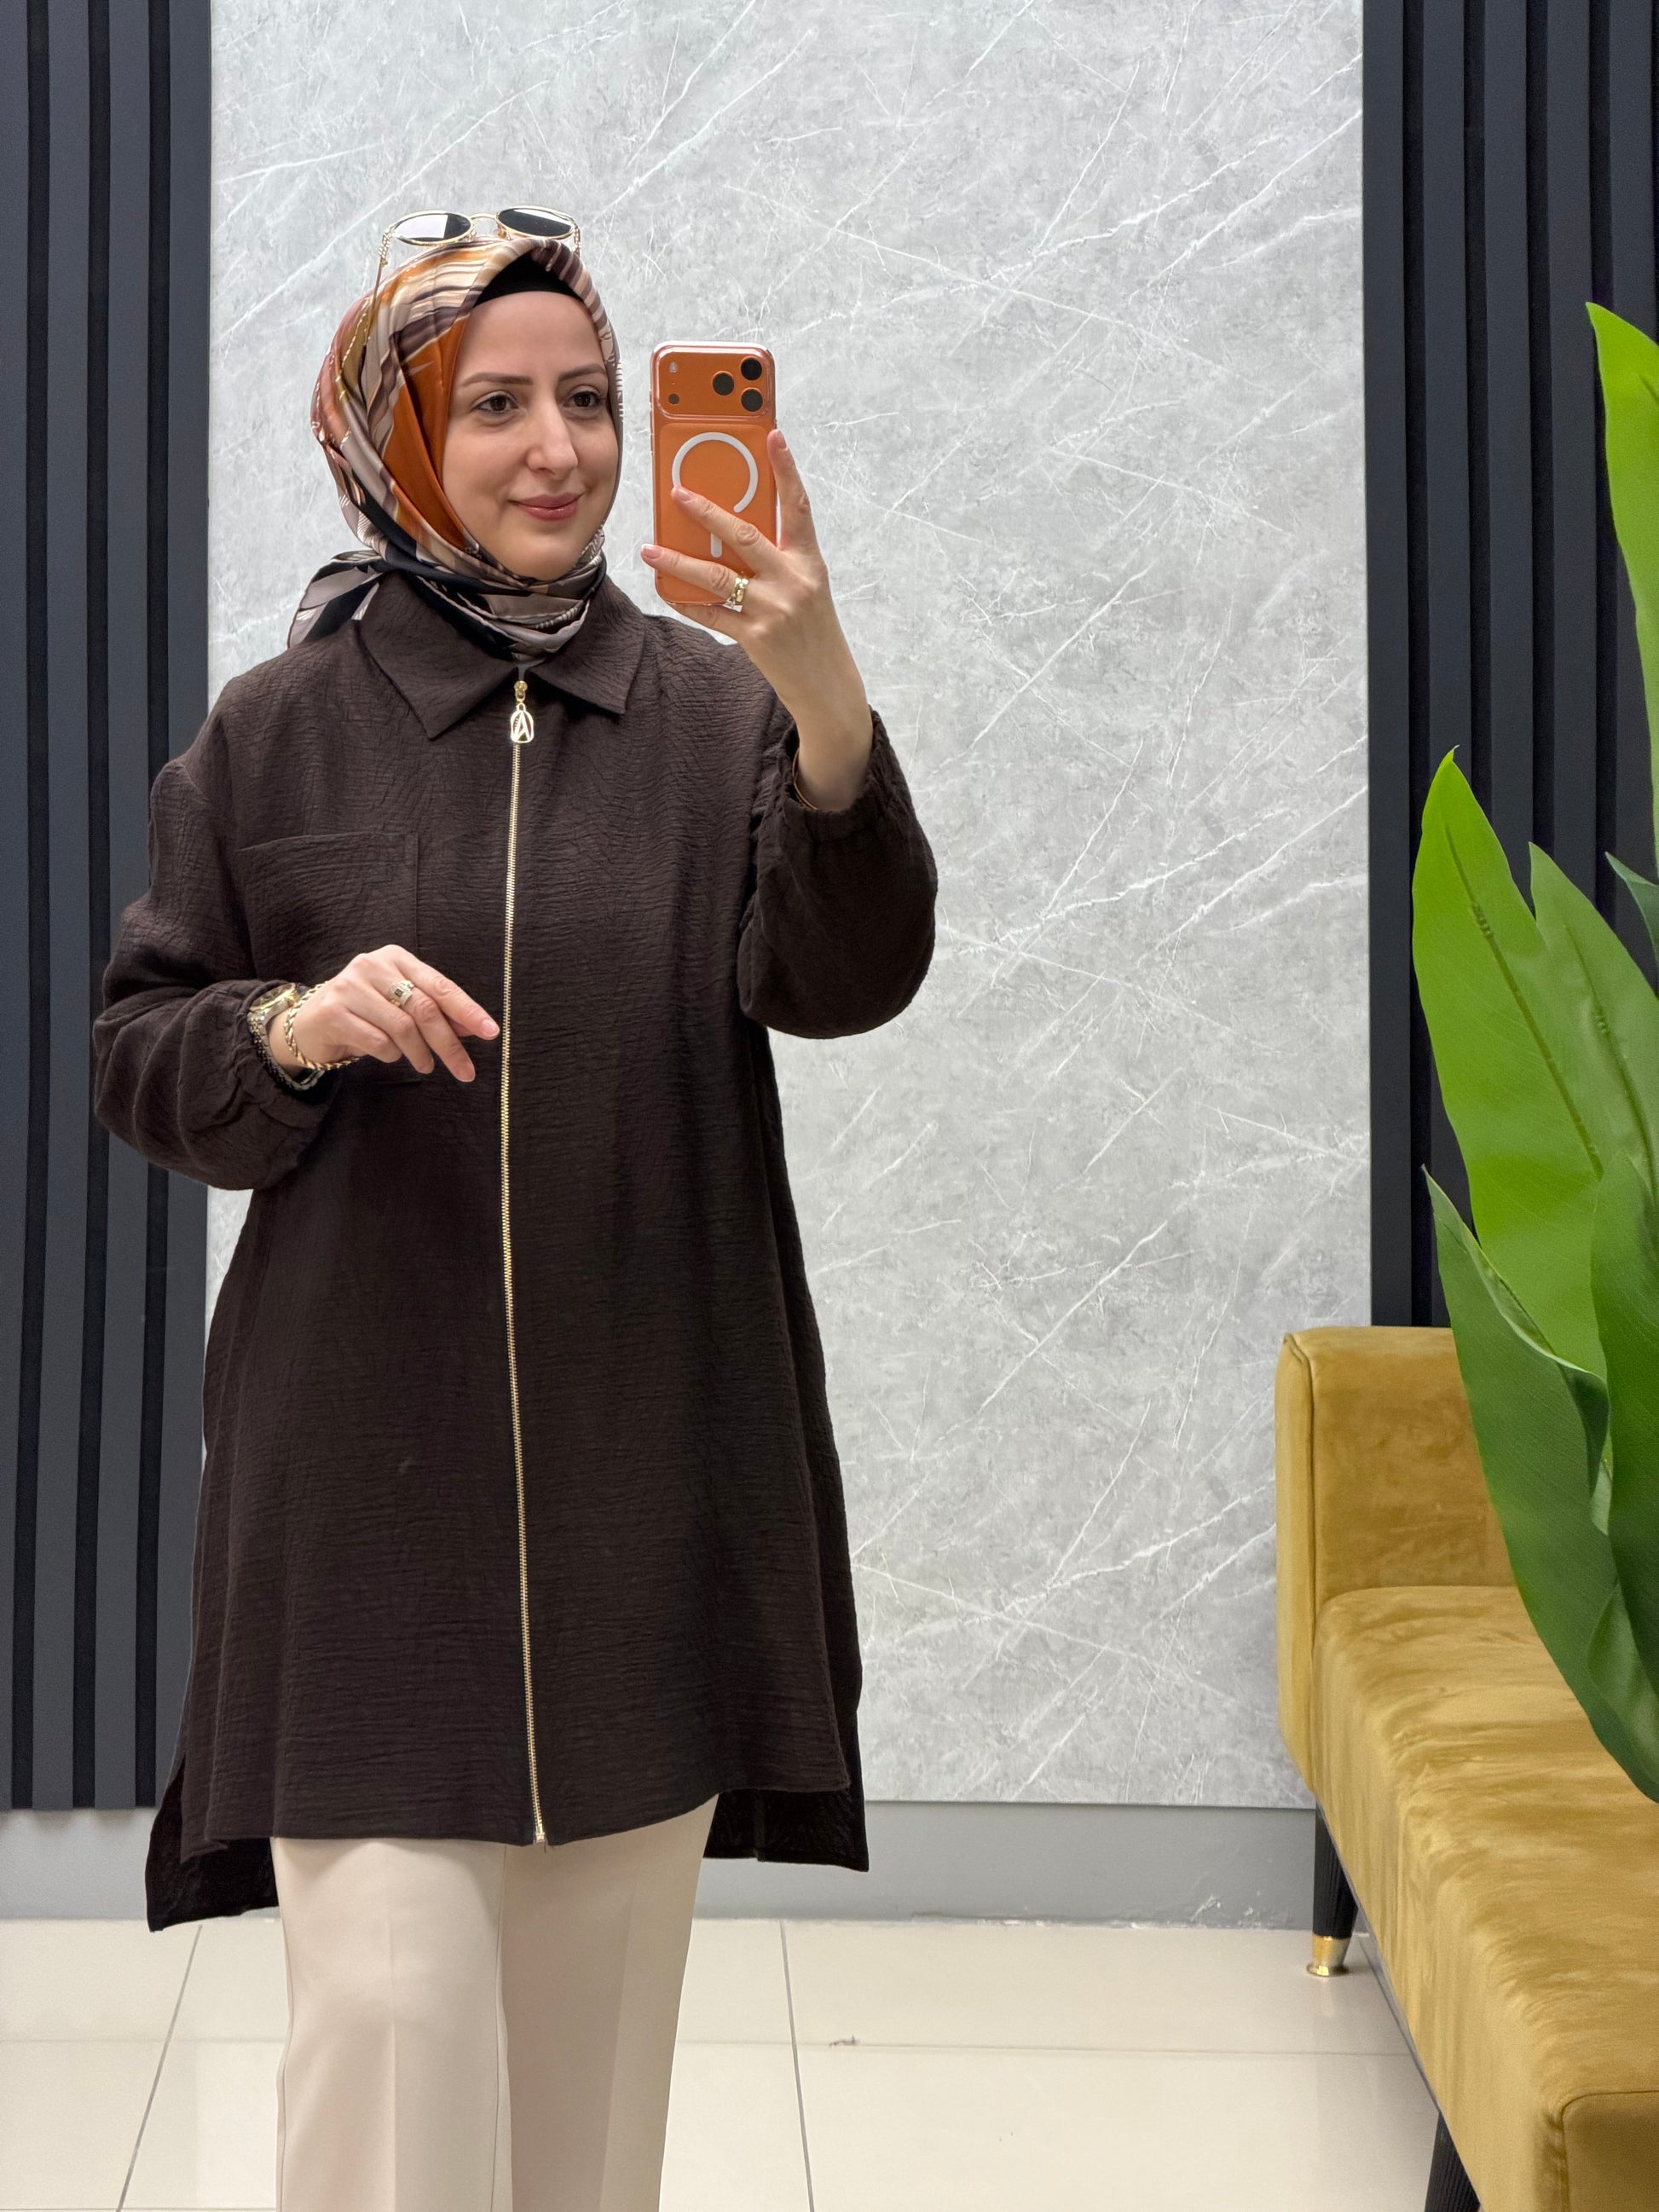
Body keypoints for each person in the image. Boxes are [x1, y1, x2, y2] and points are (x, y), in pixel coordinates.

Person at [90, 209, 938, 2212]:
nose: (556, 448)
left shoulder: (718, 717)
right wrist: (291, 1024)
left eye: (586, 398)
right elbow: (141, 1049)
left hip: (647, 1510)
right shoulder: (275, 728)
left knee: (586, 2131)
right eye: (493, 405)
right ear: (395, 433)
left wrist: (822, 697)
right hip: (362, 1529)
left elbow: (850, 973)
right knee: (392, 2058)